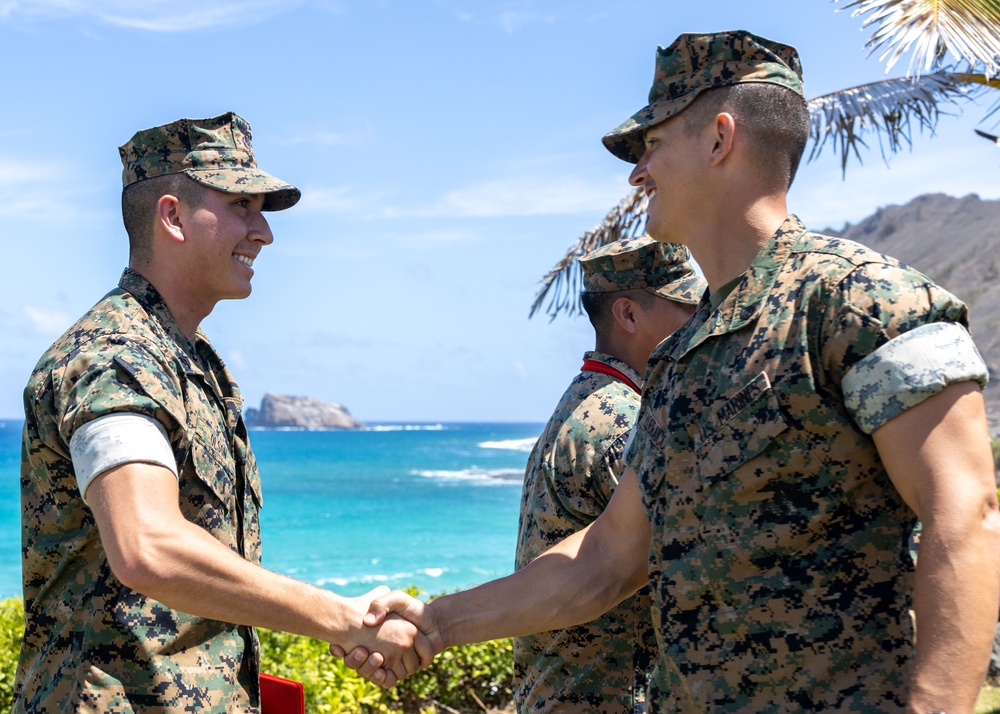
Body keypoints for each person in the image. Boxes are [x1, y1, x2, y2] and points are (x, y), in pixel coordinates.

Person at [350, 30, 1000, 713]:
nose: (637, 173)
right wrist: (436, 621)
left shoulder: (858, 302)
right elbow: (604, 561)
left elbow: (966, 512)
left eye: (651, 145)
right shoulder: (681, 359)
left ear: (719, 139)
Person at [15, 112, 430, 713]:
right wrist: (342, 619)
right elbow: (147, 545)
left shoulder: (195, 361)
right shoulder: (114, 357)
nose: (263, 232)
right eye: (242, 205)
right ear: (172, 216)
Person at [514, 236, 704, 713]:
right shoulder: (624, 420)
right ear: (630, 315)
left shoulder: (591, 399)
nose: (703, 322)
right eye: (688, 308)